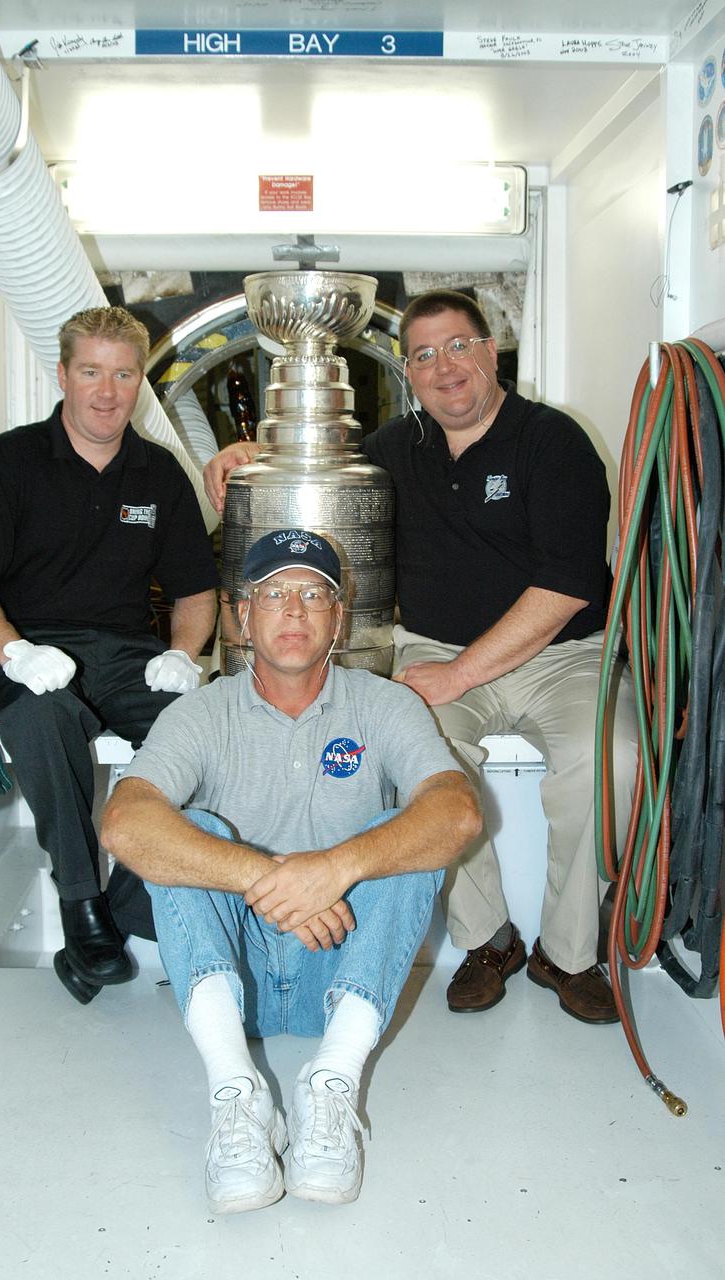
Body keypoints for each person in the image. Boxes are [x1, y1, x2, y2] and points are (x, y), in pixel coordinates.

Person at [203, 289, 638, 1026]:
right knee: (418, 766)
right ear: (409, 372)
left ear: (489, 353)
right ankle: (485, 939)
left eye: (459, 346)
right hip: (436, 647)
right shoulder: (392, 452)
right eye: (425, 355)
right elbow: (318, 487)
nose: (446, 367)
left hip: (560, 655)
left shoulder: (552, 442)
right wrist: (252, 457)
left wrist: (462, 674)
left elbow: (565, 589)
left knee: (614, 759)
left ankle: (569, 953)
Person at [101, 529, 481, 1213]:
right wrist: (265, 877)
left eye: (314, 595)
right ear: (241, 616)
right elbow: (124, 822)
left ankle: (331, 1085)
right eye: (273, 594)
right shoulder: (199, 713)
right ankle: (237, 1095)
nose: (294, 611)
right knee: (189, 831)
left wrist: (333, 868)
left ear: (341, 617)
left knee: (404, 835)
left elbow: (457, 814)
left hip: (340, 973)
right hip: (229, 982)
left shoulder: (386, 704)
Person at [0, 306, 219, 1003]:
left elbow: (195, 591)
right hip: (27, 648)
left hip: (128, 653)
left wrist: (184, 656)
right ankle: (81, 906)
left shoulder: (158, 474)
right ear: (63, 374)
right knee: (44, 722)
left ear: (139, 383)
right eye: (91, 372)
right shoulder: (9, 462)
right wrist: (13, 652)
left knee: (207, 731)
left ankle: (126, 901)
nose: (107, 391)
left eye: (123, 374)